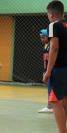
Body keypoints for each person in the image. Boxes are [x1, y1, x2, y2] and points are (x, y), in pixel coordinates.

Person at [43, 1, 67, 132]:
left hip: (59, 69)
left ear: (51, 13)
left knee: (55, 102)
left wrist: (48, 71)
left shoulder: (53, 25)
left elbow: (54, 47)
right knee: (64, 100)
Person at [38, 29, 53, 113]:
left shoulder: (52, 45)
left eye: (43, 37)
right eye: (41, 38)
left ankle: (50, 107)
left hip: (51, 70)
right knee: (49, 87)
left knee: (51, 87)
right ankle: (50, 106)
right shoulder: (45, 46)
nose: (42, 39)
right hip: (47, 70)